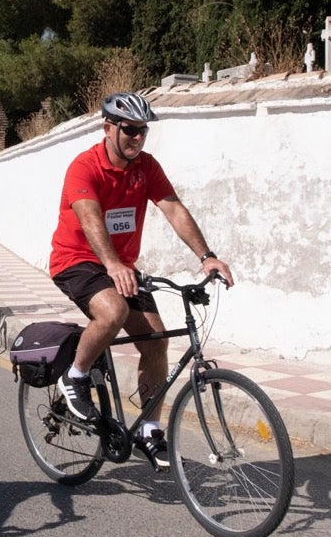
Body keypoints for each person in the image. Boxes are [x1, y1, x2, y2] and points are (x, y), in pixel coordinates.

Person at [49, 92, 235, 469]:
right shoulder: (84, 167)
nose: (137, 137)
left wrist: (207, 256)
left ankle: (150, 430)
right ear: (108, 128)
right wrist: (114, 265)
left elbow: (173, 208)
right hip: (76, 261)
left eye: (142, 131)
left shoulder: (146, 167)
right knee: (113, 310)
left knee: (156, 341)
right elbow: (89, 218)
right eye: (129, 130)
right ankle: (75, 375)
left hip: (121, 266)